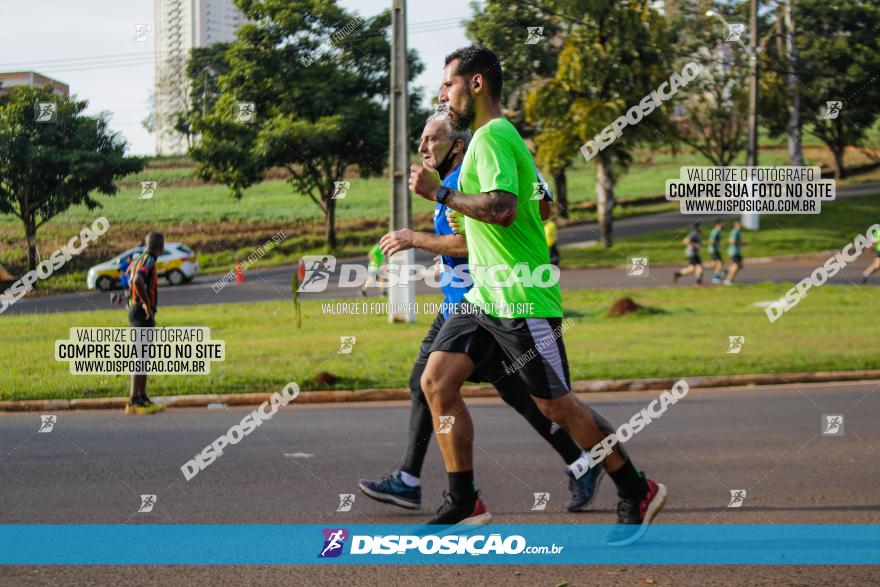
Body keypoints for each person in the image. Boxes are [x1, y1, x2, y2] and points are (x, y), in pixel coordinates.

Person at [408, 45, 665, 544]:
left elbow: (502, 208)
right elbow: (536, 205)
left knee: (556, 407)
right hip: (485, 293)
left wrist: (440, 193)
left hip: (521, 296)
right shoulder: (489, 139)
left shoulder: (494, 138)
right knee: (436, 383)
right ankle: (464, 501)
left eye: (448, 85)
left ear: (476, 83)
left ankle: (636, 488)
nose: (443, 95)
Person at [358, 113, 608, 513]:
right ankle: (581, 463)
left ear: (456, 145)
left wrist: (413, 238)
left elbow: (475, 242)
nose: (422, 148)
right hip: (466, 302)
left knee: (444, 386)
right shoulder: (459, 178)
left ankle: (424, 484)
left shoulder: (466, 181)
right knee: (513, 394)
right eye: (420, 140)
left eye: (431, 139)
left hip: (480, 303)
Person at [125, 232, 166, 415]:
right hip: (142, 313)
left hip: (136, 311)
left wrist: (133, 300)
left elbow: (129, 280)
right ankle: (134, 401)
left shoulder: (139, 258)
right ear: (161, 247)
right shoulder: (149, 259)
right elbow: (137, 280)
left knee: (144, 356)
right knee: (141, 357)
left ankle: (142, 398)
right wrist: (147, 305)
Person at [725, 220, 744, 285]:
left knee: (740, 266)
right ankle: (728, 279)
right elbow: (732, 241)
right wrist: (740, 243)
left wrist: (741, 243)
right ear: (737, 225)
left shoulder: (738, 232)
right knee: (736, 265)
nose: (742, 226)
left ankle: (726, 272)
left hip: (737, 252)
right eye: (741, 225)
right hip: (734, 252)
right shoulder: (735, 232)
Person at [708, 220, 724, 284]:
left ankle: (700, 267)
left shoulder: (717, 231)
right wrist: (718, 244)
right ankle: (715, 277)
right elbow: (711, 241)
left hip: (715, 250)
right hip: (713, 250)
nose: (723, 226)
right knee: (720, 263)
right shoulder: (715, 231)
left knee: (715, 264)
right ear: (718, 225)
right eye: (722, 224)